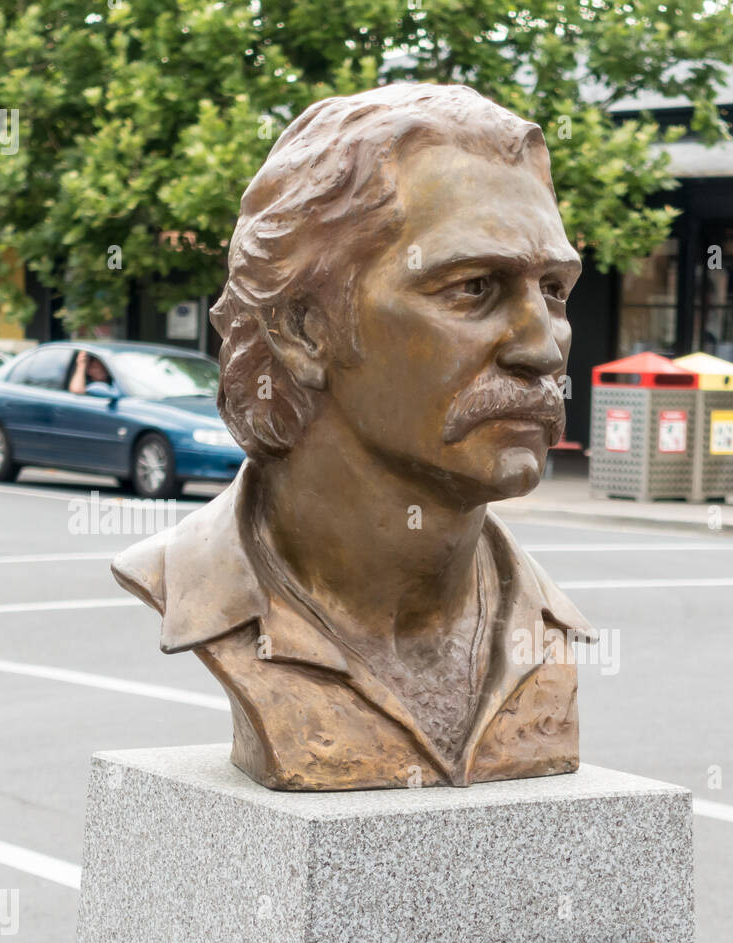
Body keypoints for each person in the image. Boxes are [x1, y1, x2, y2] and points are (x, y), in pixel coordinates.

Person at [113, 85, 594, 792]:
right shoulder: (203, 589)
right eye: (473, 288)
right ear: (304, 328)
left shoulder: (542, 629)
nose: (542, 348)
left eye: (553, 291)